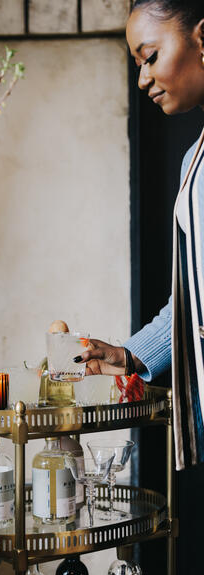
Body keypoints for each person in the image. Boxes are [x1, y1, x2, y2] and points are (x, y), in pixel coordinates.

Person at [73, 0, 204, 471]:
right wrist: (131, 355)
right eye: (137, 64)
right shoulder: (195, 162)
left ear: (202, 39)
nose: (143, 78)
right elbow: (196, 297)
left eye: (150, 57)